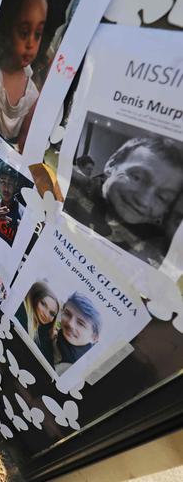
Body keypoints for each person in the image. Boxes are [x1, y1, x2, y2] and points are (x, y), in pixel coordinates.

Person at [65, 136, 183, 265]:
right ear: (112, 164)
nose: (144, 201)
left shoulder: (154, 246)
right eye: (137, 177)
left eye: (162, 197)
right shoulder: (69, 189)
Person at [0, 0, 47, 151]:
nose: (30, 43)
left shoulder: (33, 93)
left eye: (37, 34)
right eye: (24, 32)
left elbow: (23, 139)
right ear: (8, 31)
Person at [52, 292, 101, 374]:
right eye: (67, 314)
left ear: (94, 337)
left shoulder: (78, 370)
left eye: (81, 323)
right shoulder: (51, 336)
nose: (70, 323)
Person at [15, 281, 59, 361]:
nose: (46, 314)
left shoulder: (47, 337)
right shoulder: (21, 313)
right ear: (35, 299)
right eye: (43, 304)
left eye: (52, 314)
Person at [0, 169, 25, 245]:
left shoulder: (23, 213)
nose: (6, 189)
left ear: (16, 187)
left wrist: (21, 236)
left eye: (10, 184)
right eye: (3, 182)